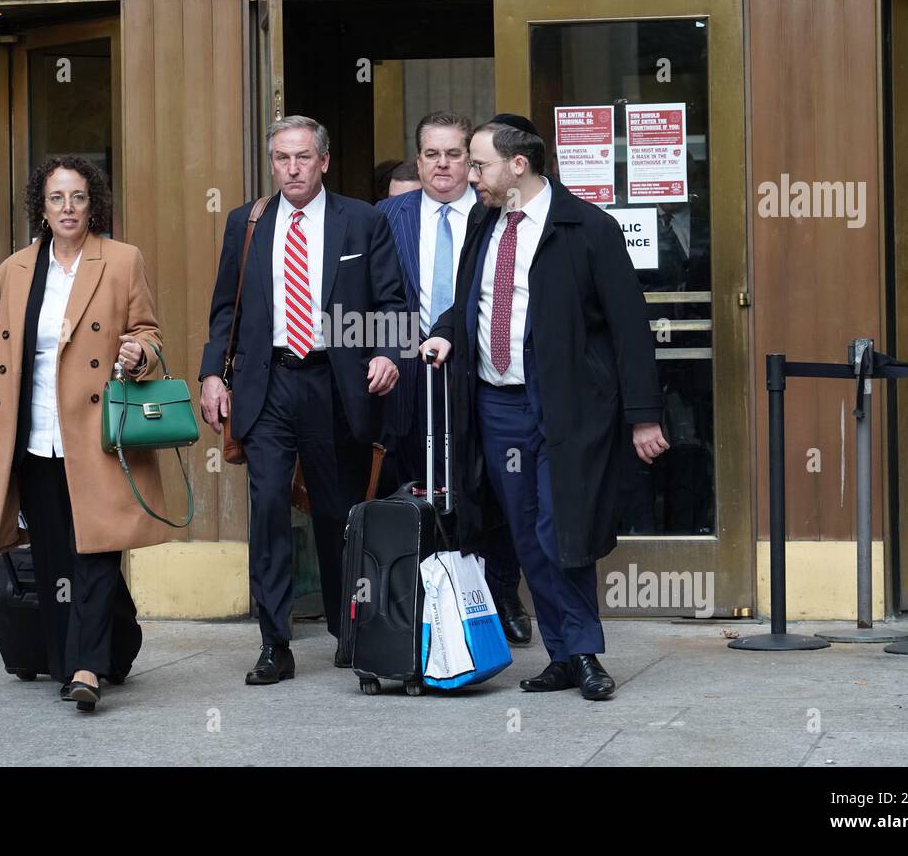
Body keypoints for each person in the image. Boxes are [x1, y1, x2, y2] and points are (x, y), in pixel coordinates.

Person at [422, 115, 669, 701]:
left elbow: (631, 327)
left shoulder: (586, 227)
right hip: (496, 404)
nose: (468, 175)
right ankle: (561, 655)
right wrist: (446, 332)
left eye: (478, 164)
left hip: (564, 407)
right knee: (529, 537)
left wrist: (644, 414)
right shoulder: (484, 224)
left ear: (518, 165)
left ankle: (583, 653)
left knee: (563, 528)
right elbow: (472, 303)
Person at [200, 115, 407, 685]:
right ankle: (275, 643)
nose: (292, 168)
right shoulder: (248, 222)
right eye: (282, 159)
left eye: (302, 158)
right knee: (267, 508)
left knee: (336, 512)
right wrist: (211, 376)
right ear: (273, 164)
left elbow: (393, 300)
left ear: (323, 162)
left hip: (334, 383)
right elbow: (226, 307)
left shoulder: (361, 221)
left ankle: (350, 630)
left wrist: (388, 352)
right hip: (267, 383)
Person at [0, 155, 170, 713]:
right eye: (57, 197)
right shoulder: (15, 269)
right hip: (34, 434)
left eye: (78, 197)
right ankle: (106, 647)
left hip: (95, 432)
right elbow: (6, 362)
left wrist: (138, 354)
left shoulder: (121, 260)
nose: (68, 208)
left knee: (98, 547)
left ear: (94, 204)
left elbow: (149, 333)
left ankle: (85, 667)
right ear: (42, 205)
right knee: (59, 554)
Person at [376, 110, 532, 646]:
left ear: (472, 161)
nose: (443, 165)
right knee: (418, 488)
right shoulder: (386, 215)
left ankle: (501, 596)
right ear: (418, 161)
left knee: (492, 489)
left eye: (455, 154)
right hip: (410, 378)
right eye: (432, 154)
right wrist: (393, 354)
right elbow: (376, 296)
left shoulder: (496, 213)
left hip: (481, 376)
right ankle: (422, 607)